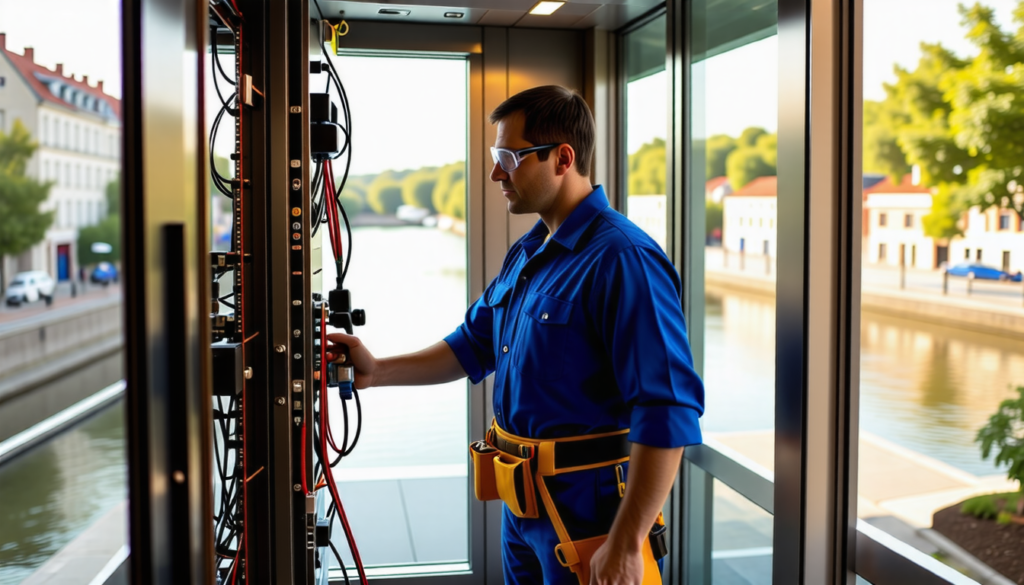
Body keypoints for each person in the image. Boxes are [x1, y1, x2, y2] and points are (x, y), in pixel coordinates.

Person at [327, 85, 704, 585]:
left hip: (588, 517)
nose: (495, 172)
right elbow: (471, 346)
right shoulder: (528, 252)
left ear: (562, 158)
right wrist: (378, 371)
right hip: (522, 511)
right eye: (494, 155)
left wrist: (627, 541)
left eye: (509, 156)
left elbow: (667, 409)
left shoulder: (624, 259)